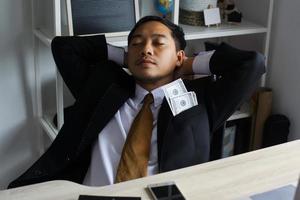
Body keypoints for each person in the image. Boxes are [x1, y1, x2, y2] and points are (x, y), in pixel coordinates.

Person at [8, 15, 265, 188]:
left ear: (178, 56)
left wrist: (187, 65)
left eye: (158, 43)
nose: (146, 49)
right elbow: (64, 47)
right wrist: (127, 57)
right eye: (137, 43)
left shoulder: (201, 99)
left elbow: (253, 64)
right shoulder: (103, 88)